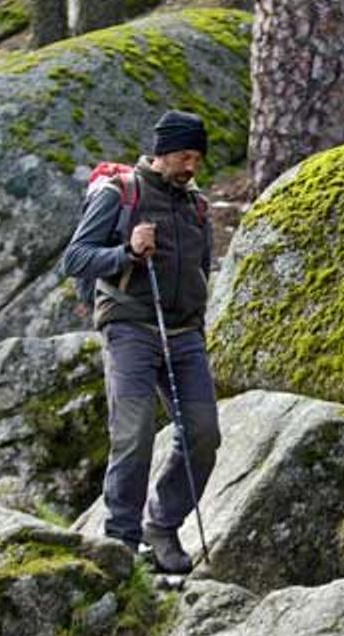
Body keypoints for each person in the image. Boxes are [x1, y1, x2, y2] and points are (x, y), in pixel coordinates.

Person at [62, 110, 220, 574]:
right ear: (161, 152)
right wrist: (126, 252)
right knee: (132, 438)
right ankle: (121, 543)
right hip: (130, 328)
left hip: (185, 334)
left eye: (197, 157)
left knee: (203, 435)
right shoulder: (120, 193)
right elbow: (76, 258)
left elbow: (201, 268)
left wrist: (197, 324)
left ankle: (163, 527)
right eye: (184, 156)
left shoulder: (198, 206)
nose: (191, 166)